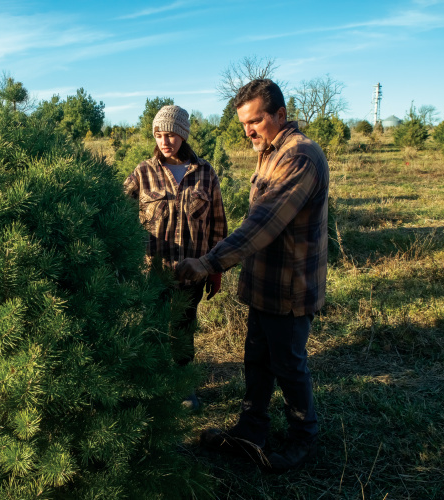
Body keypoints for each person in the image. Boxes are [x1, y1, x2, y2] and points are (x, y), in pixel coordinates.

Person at [175, 79, 329, 471]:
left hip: (289, 287)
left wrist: (209, 262)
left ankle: (303, 438)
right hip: (264, 284)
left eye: (256, 121)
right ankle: (250, 428)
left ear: (280, 114)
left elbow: (263, 222)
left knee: (289, 365)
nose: (249, 131)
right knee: (256, 358)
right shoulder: (270, 152)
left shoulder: (300, 157)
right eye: (244, 124)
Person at [124, 105, 227, 408]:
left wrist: (216, 269)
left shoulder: (205, 173)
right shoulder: (143, 172)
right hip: (152, 272)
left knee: (183, 329)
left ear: (182, 134)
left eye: (170, 134)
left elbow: (218, 224)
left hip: (192, 273)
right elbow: (118, 212)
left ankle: (184, 388)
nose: (164, 140)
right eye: (158, 134)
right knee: (153, 328)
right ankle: (155, 388)